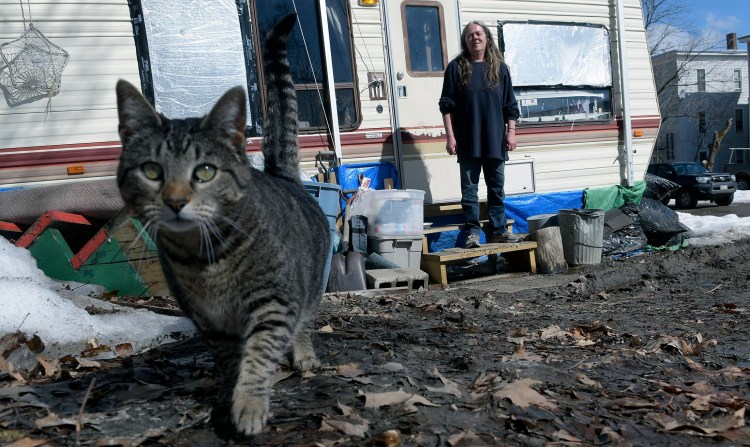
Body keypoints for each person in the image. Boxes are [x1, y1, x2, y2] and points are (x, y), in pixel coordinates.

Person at [438, 20, 521, 248]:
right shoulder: (456, 68)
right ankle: (473, 232)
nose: (475, 37)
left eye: (478, 33)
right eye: (470, 35)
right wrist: (450, 137)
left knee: (496, 189)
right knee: (469, 191)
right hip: (467, 140)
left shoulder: (500, 69)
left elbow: (510, 106)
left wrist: (511, 133)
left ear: (487, 38)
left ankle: (498, 230)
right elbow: (447, 105)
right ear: (465, 41)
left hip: (496, 139)